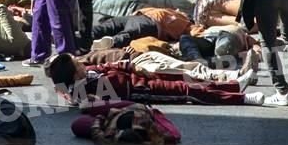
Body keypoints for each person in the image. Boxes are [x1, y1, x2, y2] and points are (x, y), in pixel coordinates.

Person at [47, 54, 265, 106]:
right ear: (75, 75)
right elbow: (72, 97)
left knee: (185, 76)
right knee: (188, 90)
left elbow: (107, 65)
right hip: (143, 90)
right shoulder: (83, 91)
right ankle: (244, 98)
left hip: (140, 75)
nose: (82, 64)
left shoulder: (90, 71)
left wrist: (131, 65)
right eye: (77, 65)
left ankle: (235, 84)